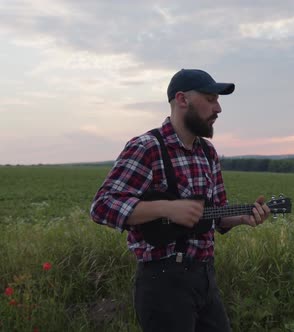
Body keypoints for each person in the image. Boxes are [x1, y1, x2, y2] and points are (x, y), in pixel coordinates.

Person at [90, 69, 271, 331]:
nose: (218, 108)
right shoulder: (147, 147)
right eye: (210, 99)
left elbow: (215, 213)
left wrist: (242, 217)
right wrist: (166, 208)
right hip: (162, 281)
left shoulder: (208, 152)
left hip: (205, 276)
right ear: (182, 100)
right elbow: (102, 206)